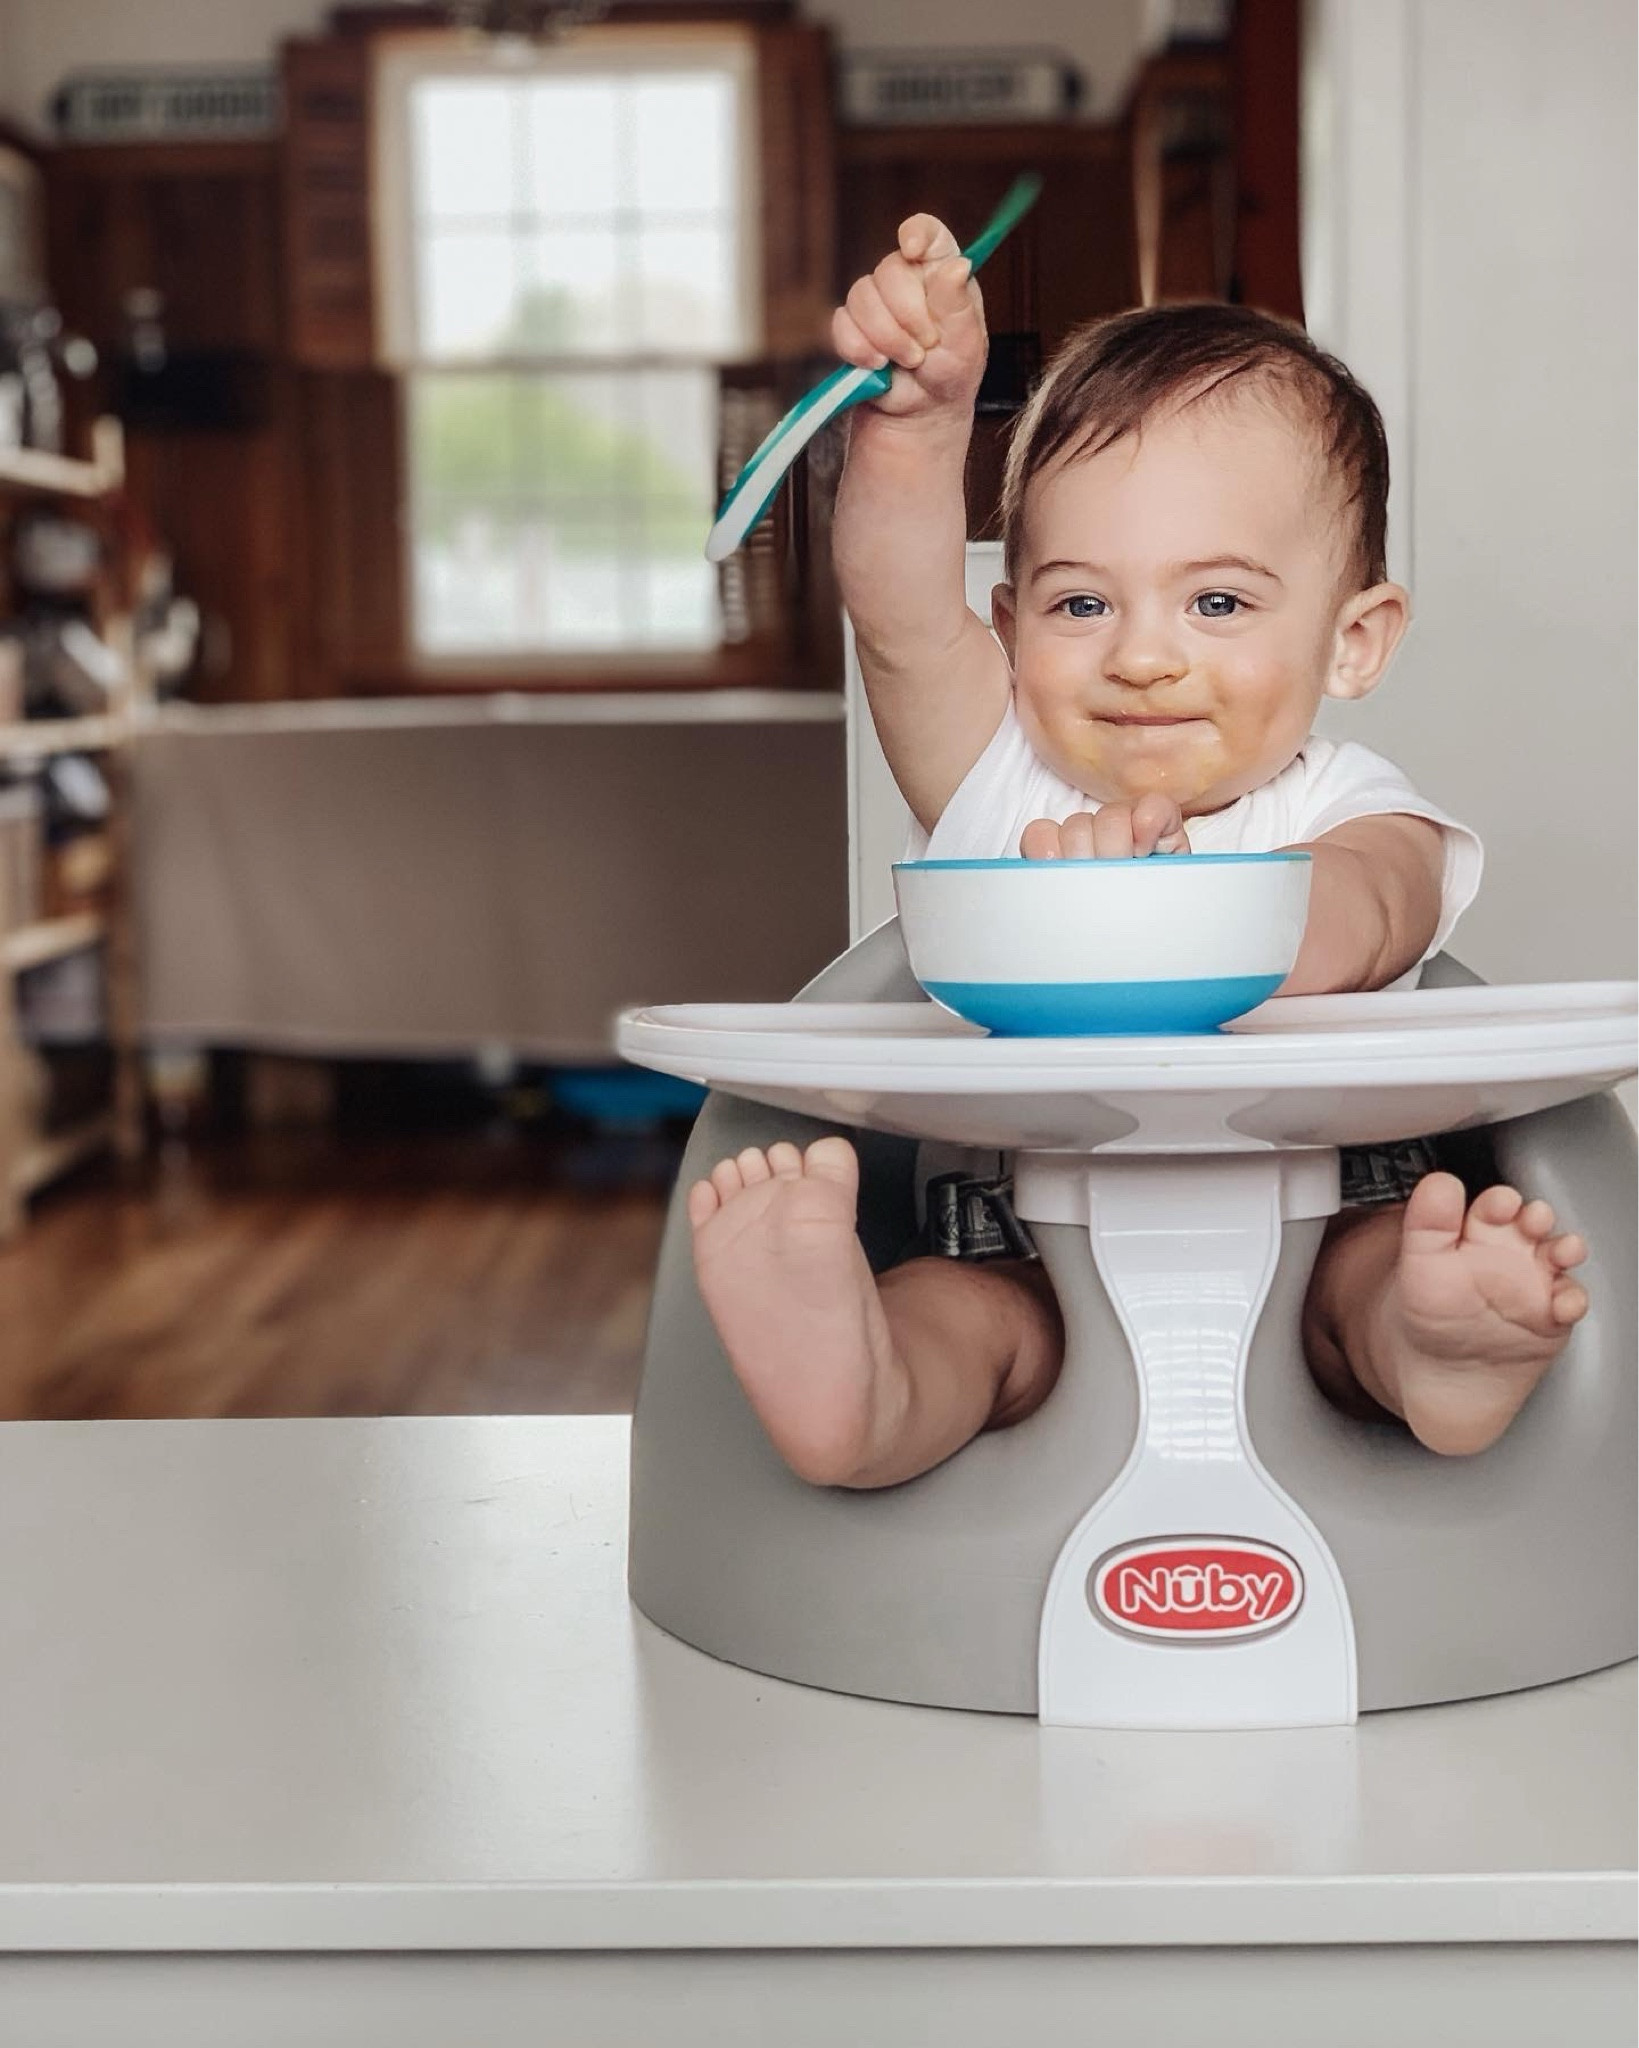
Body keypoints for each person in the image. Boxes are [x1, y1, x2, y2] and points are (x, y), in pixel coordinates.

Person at [687, 214, 1589, 1489]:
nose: (1141, 653)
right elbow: (893, 616)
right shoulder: (996, 782)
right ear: (1009, 629)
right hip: (1017, 1229)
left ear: (1354, 640)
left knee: (1382, 1268)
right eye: (1079, 602)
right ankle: (861, 1384)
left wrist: (1172, 915)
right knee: (968, 1319)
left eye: (1216, 602)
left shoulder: (1348, 803)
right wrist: (918, 424)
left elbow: (1373, 907)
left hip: (1322, 1213)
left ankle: (1438, 1341)